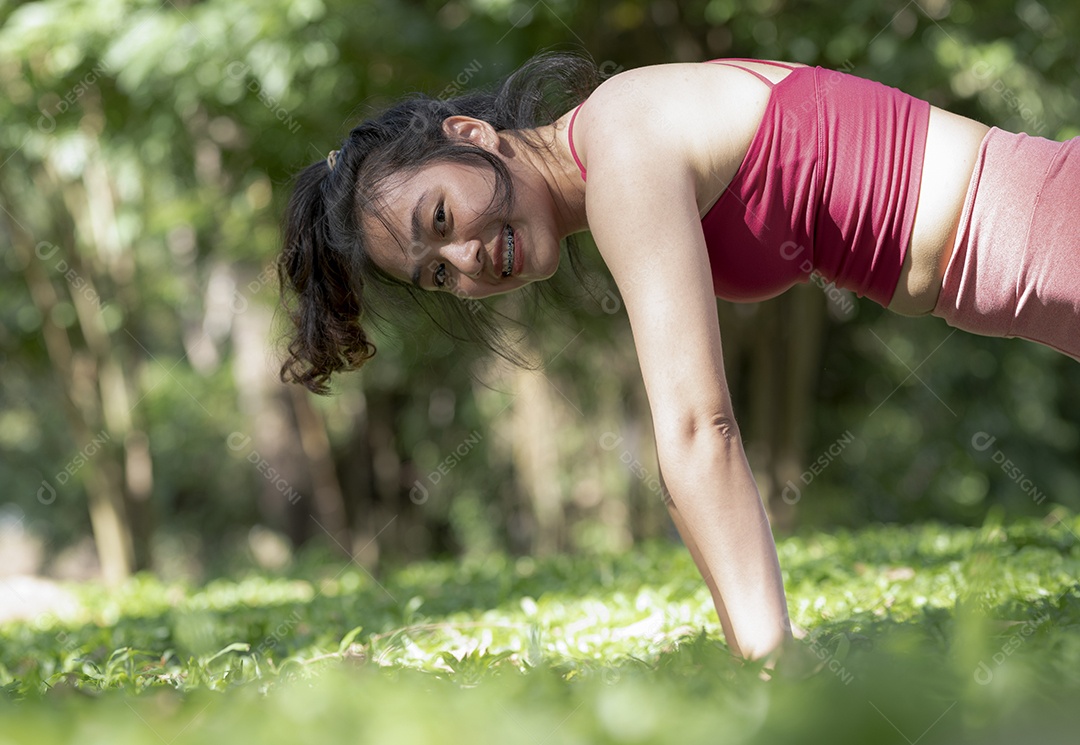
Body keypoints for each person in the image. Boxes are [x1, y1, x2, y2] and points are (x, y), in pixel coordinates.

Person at [277, 52, 1080, 661]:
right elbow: (682, 470)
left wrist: (775, 667)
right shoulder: (615, 148)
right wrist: (751, 654)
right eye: (436, 274)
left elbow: (698, 429)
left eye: (442, 217)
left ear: (469, 136)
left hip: (1044, 232)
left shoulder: (623, 146)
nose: (465, 263)